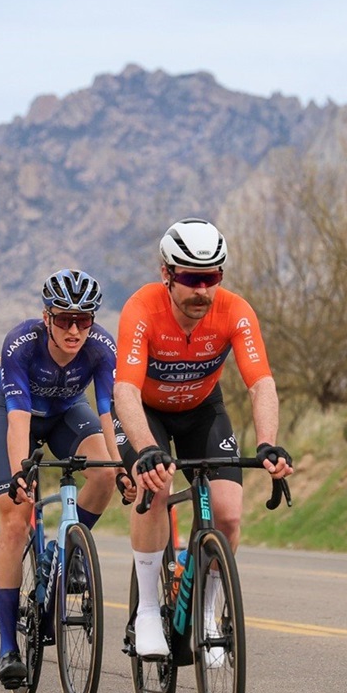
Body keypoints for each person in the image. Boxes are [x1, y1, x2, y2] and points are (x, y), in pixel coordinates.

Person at [114, 218, 293, 659]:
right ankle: (149, 612)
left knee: (228, 517)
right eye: (192, 278)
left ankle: (208, 611)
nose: (202, 291)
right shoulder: (142, 309)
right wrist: (146, 450)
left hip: (201, 412)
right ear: (167, 274)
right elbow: (125, 391)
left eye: (211, 278)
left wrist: (268, 442)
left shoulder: (235, 311)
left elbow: (261, 383)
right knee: (154, 490)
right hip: (146, 413)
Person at [0, 269, 128, 687]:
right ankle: (8, 646)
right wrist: (18, 476)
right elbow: (16, 421)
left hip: (67, 412)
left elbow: (110, 415)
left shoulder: (102, 347)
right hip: (18, 414)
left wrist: (122, 468)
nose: (73, 329)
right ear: (45, 316)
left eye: (83, 320)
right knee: (15, 517)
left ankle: (65, 548)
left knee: (102, 474)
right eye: (64, 318)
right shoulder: (20, 344)